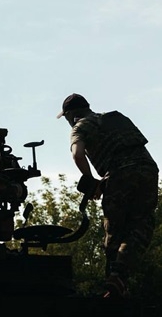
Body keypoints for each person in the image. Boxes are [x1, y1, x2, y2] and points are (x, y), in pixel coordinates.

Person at [56, 93, 159, 298]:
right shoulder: (116, 117)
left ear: (70, 115)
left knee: (114, 230)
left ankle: (111, 286)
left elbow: (77, 154)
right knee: (140, 225)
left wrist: (91, 181)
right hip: (148, 170)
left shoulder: (80, 126)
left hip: (118, 174)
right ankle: (120, 277)